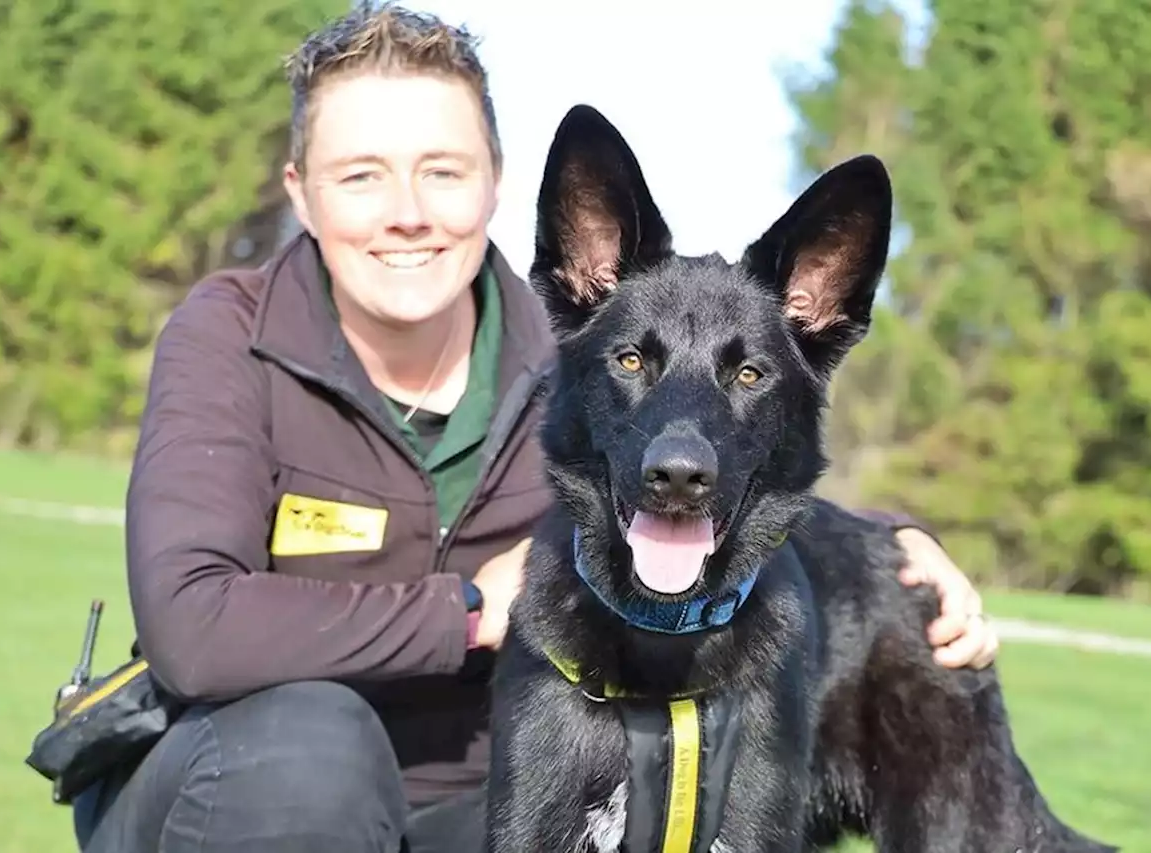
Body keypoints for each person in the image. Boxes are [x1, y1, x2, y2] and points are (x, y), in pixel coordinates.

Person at [72, 5, 999, 852]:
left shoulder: (579, 350)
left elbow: (713, 443)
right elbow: (194, 628)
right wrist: (467, 611)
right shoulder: (230, 331)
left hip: (465, 810)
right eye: (361, 176)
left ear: (496, 187)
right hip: (230, 787)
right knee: (315, 749)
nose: (407, 213)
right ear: (302, 193)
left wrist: (894, 541)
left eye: (442, 171)